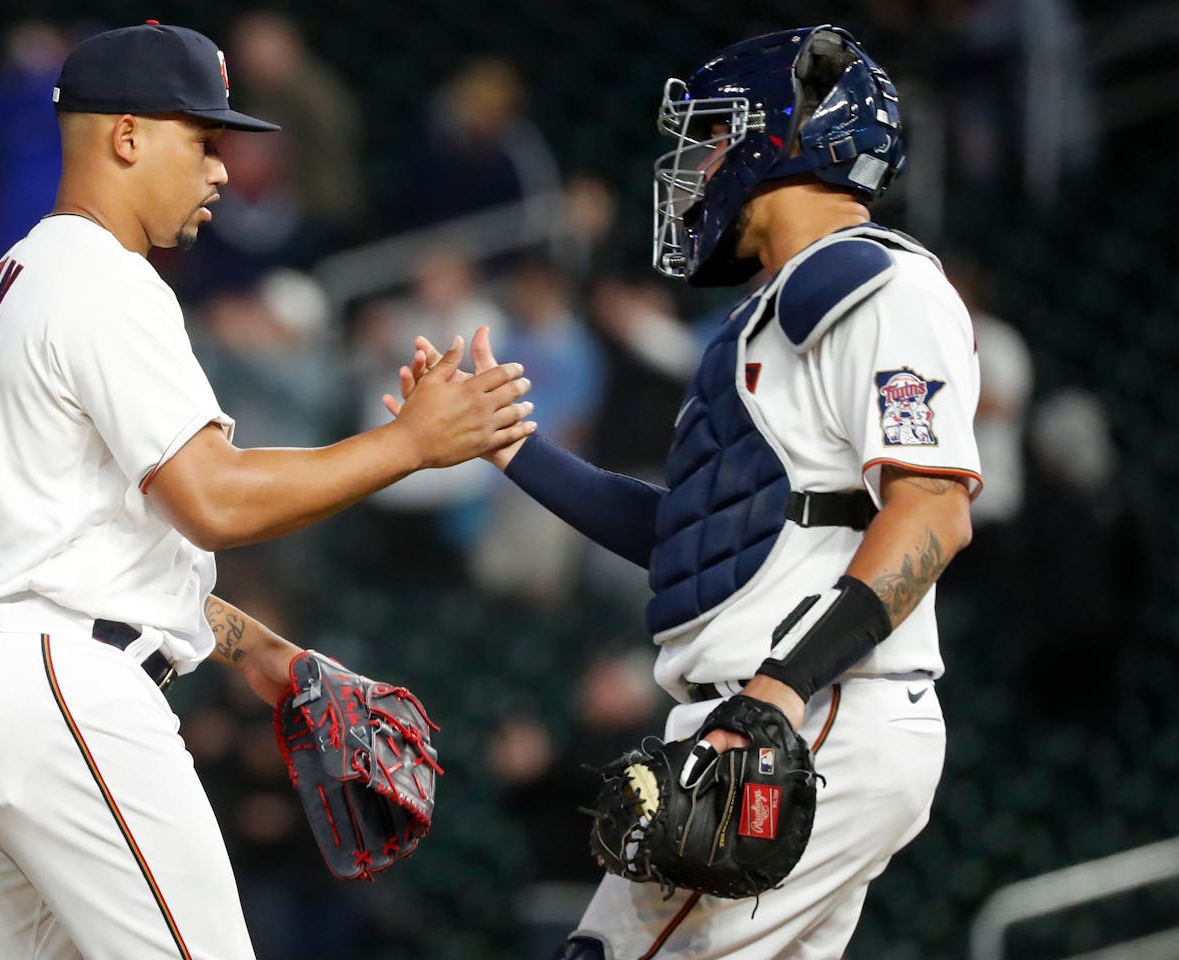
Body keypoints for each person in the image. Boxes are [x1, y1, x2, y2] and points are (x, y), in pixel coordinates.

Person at [0, 22, 534, 960]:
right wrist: (408, 443)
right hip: (58, 691)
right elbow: (216, 499)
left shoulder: (23, 273)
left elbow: (96, 543)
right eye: (202, 141)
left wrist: (259, 650)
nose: (223, 170)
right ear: (126, 137)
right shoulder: (102, 278)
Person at [389, 26, 980, 959]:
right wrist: (513, 451)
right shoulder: (769, 313)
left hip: (810, 709)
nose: (695, 163)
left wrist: (777, 696)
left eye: (715, 134)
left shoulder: (881, 286)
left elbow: (935, 513)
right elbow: (696, 534)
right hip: (784, 713)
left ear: (780, 137)